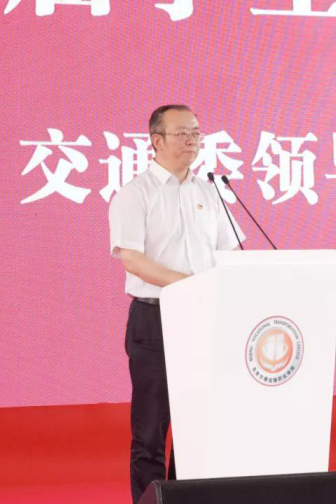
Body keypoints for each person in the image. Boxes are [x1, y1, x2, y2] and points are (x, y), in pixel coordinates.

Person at [108, 104, 245, 503]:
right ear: (156, 140)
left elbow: (230, 250)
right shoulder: (135, 194)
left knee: (195, 427)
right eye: (182, 133)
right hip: (155, 319)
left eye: (196, 133)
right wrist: (189, 284)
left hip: (204, 318)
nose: (192, 140)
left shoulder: (210, 191)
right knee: (151, 428)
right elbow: (133, 259)